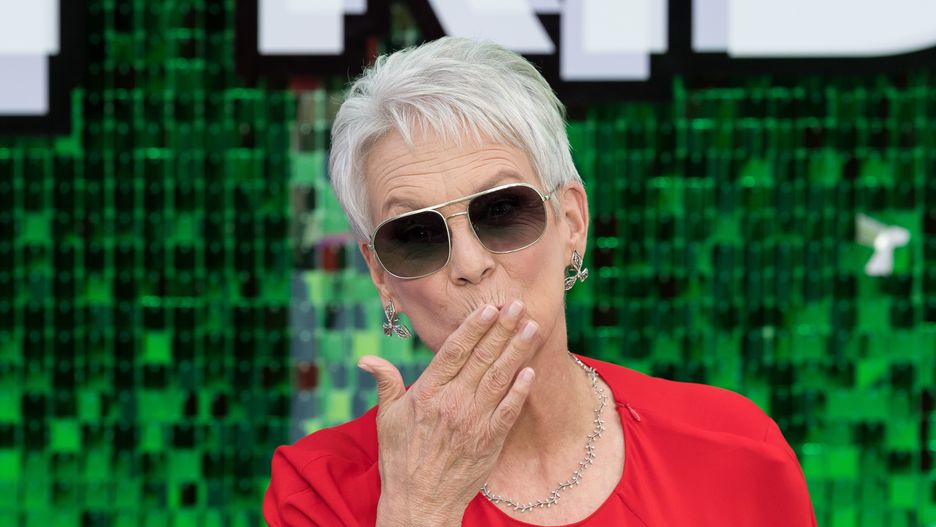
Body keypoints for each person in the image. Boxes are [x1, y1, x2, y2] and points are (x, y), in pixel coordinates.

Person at [263, 37, 818, 526]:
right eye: (416, 234)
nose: (470, 263)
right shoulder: (318, 492)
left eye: (503, 210)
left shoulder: (735, 450)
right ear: (382, 277)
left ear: (571, 222)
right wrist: (418, 509)